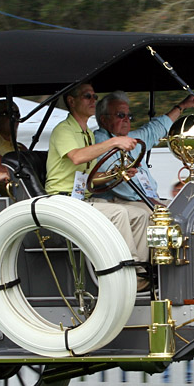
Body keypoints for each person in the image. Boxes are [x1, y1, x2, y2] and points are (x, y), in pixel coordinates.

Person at [44, 84, 150, 266]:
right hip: (63, 200)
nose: (93, 100)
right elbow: (77, 157)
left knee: (141, 215)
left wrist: (117, 174)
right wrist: (114, 142)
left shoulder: (88, 134)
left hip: (84, 198)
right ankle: (127, 270)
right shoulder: (64, 129)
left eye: (95, 96)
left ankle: (142, 271)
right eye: (87, 96)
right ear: (71, 101)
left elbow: (90, 178)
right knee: (118, 213)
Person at [91, 90, 194, 206]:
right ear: (104, 119)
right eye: (121, 115)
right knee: (172, 216)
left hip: (147, 198)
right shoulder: (101, 142)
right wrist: (157, 207)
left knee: (187, 209)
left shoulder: (130, 138)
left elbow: (156, 128)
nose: (127, 119)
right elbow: (125, 189)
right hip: (124, 202)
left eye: (129, 116)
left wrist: (182, 106)